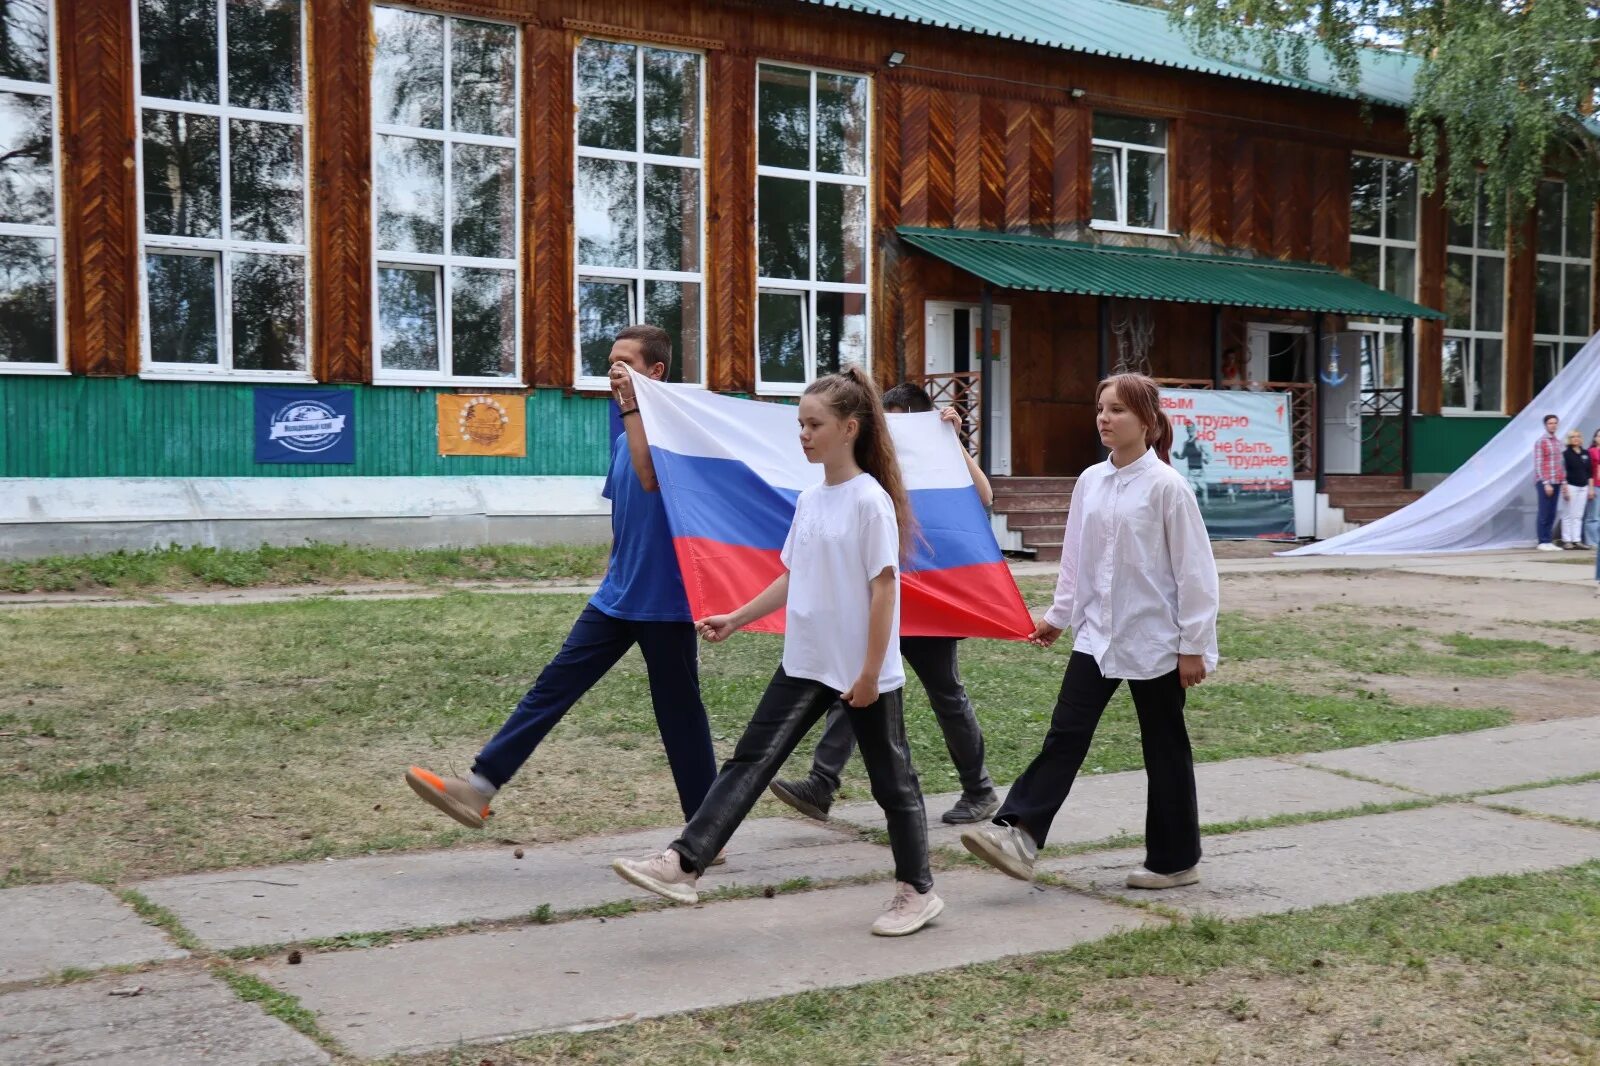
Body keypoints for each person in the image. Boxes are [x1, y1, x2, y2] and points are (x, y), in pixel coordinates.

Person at [612, 367, 943, 937]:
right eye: (800, 423)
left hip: (863, 671)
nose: (804, 434)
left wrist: (869, 674)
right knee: (750, 758)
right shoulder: (812, 498)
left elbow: (886, 589)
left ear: (850, 429)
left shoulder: (871, 502)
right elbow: (794, 573)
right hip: (806, 659)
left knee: (893, 783)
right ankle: (684, 863)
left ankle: (917, 891)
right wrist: (737, 618)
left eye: (814, 424)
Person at [403, 325, 719, 847]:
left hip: (665, 605)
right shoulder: (621, 437)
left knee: (679, 715)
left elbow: (649, 478)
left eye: (627, 363)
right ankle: (479, 787)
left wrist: (632, 405)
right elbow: (629, 518)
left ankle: (709, 829)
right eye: (610, 362)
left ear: (656, 372)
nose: (614, 371)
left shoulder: (673, 437)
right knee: (552, 687)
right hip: (616, 598)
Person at [959, 372, 1219, 890]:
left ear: (1146, 421)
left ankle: (1175, 861)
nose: (1105, 417)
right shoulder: (1089, 482)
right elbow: (1076, 559)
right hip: (1096, 637)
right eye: (1101, 408)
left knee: (1164, 748)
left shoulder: (1168, 488)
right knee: (1066, 734)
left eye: (1118, 409)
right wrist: (1059, 617)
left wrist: (1194, 646)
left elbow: (1196, 572)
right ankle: (1019, 835)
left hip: (1155, 642)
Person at [768, 382, 1001, 827]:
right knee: (852, 688)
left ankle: (980, 789)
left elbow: (984, 497)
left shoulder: (936, 452)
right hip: (879, 598)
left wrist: (952, 443)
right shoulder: (867, 473)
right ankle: (822, 782)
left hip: (928, 603)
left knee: (946, 695)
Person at [1559, 429, 1593, 549]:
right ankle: (1567, 540)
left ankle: (1576, 540)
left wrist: (1590, 488)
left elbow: (1589, 472)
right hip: (1570, 486)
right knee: (1568, 513)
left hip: (1583, 486)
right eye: (1573, 437)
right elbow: (1562, 471)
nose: (1576, 438)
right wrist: (1564, 488)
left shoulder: (1585, 453)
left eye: (1578, 436)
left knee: (1578, 515)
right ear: (1569, 439)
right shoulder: (1566, 454)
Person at [1535, 414, 1564, 551]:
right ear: (1546, 425)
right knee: (1544, 511)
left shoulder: (1558, 442)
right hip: (1545, 481)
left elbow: (1560, 464)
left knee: (1552, 512)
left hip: (1557, 481)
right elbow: (1539, 464)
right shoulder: (1541, 442)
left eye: (1555, 423)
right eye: (1550, 423)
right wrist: (1546, 483)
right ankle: (1542, 540)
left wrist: (1563, 481)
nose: (1553, 425)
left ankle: (1548, 540)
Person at [1172, 420, 1210, 504]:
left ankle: (1206, 505)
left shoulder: (1199, 442)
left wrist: (1207, 460)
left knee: (1203, 488)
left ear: (1194, 429)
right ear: (1187, 431)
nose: (1190, 431)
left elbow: (1208, 454)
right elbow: (1183, 456)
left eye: (1191, 428)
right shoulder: (1186, 444)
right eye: (1188, 429)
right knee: (1192, 490)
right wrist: (1177, 456)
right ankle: (1195, 509)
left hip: (1199, 471)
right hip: (1191, 471)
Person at [1585, 429, 1600, 548]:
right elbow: (1587, 470)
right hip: (1594, 485)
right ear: (1595, 438)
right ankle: (1591, 541)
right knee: (1593, 515)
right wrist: (1590, 487)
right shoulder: (1591, 451)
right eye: (1599, 436)